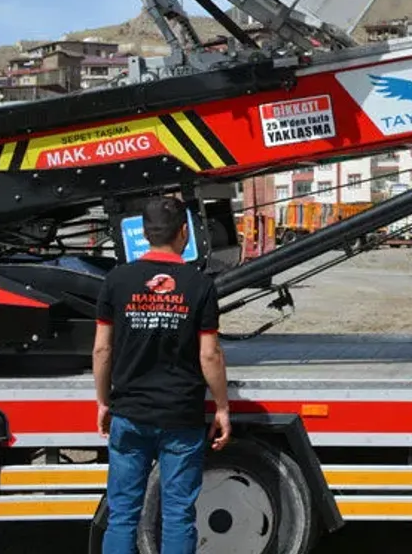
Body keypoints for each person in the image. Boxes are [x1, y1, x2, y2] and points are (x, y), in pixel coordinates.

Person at [93, 196, 232, 554]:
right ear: (183, 232)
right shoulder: (199, 285)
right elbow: (209, 354)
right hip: (180, 417)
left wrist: (103, 401)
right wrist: (222, 407)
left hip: (130, 413)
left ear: (143, 232)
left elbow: (102, 350)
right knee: (178, 514)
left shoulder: (116, 281)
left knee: (122, 514)